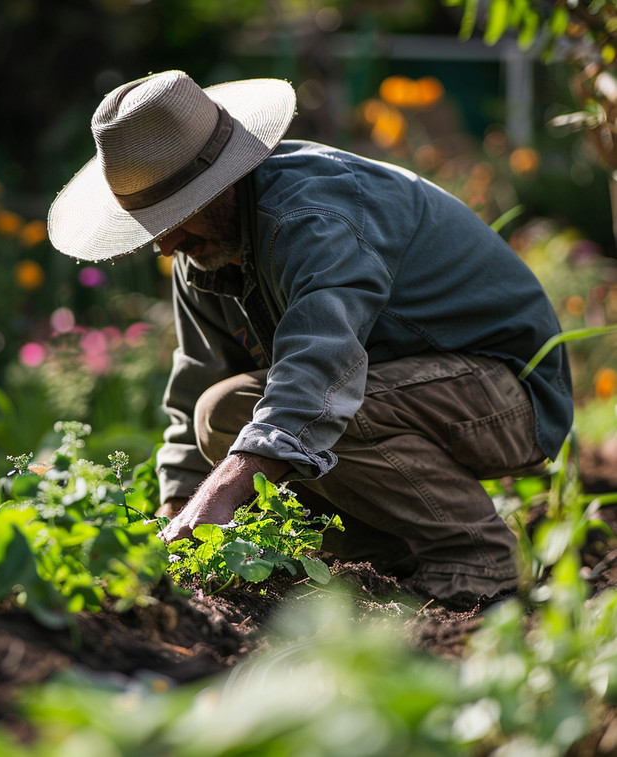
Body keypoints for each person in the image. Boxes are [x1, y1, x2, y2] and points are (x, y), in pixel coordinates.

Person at [48, 70, 573, 609]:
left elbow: (321, 370)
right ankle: (399, 554)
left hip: (508, 395)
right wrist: (177, 515)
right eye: (153, 224)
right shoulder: (201, 248)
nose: (166, 244)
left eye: (178, 214)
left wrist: (222, 495)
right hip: (407, 393)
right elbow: (196, 387)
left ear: (225, 180)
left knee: (293, 412)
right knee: (220, 412)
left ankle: (479, 556)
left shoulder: (313, 216)